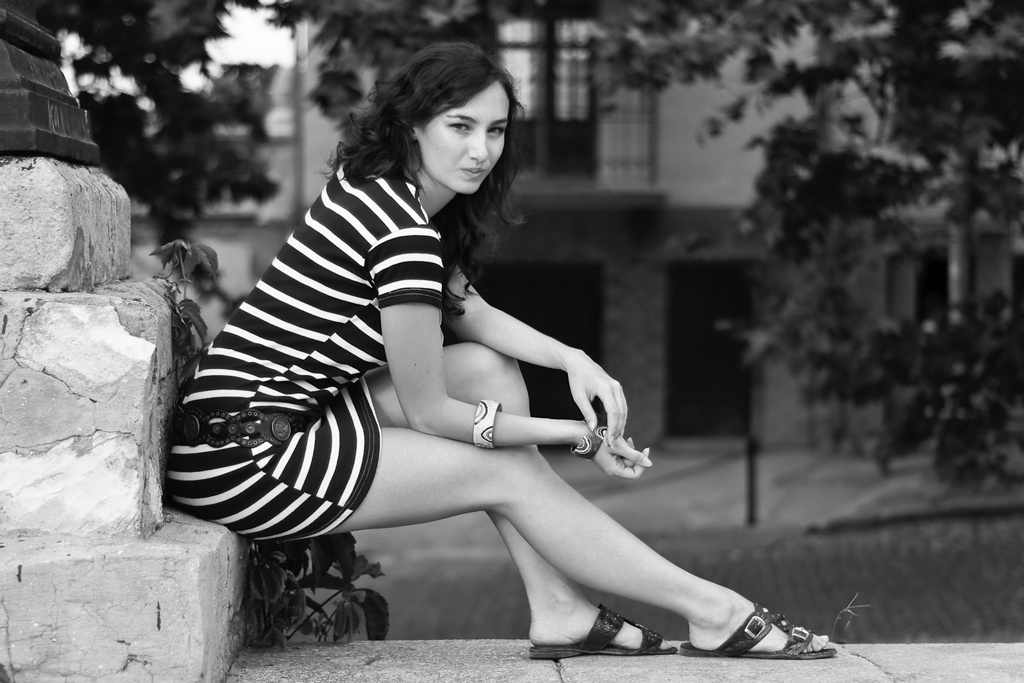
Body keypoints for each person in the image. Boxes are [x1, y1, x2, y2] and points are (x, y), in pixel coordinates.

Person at [166, 40, 835, 661]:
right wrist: (578, 435)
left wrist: (574, 359)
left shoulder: (375, 189)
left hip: (263, 419)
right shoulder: (401, 232)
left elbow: (472, 312)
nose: (480, 150)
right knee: (508, 473)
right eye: (460, 126)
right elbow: (431, 414)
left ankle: (559, 608)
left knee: (488, 369)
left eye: (495, 130)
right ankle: (713, 610)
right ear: (412, 125)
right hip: (244, 456)